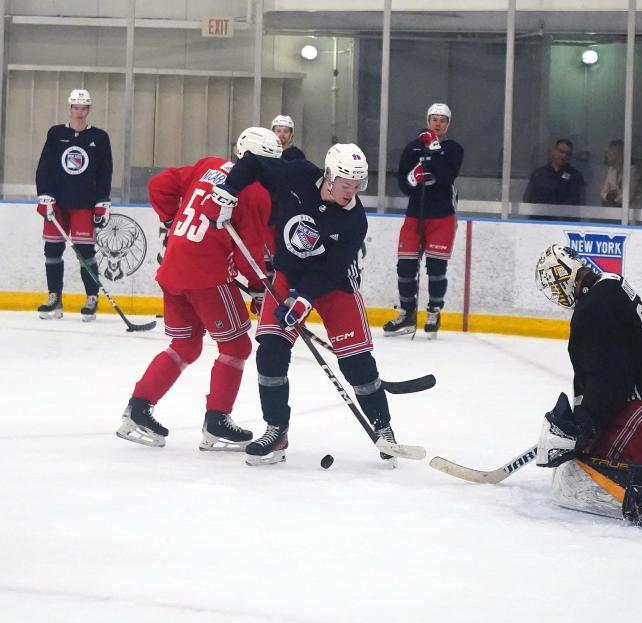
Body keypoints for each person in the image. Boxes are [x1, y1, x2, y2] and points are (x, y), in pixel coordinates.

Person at [217, 141, 400, 466]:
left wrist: (304, 299)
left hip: (334, 284)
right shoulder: (297, 175)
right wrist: (230, 189)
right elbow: (253, 163)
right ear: (329, 177)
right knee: (271, 350)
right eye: (346, 184)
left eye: (358, 185)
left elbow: (330, 269)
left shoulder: (354, 220)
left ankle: (383, 429)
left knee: (356, 364)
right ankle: (276, 430)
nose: (352, 191)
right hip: (288, 273)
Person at [115, 128, 273, 450]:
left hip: (173, 267)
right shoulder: (254, 190)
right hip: (207, 276)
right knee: (237, 347)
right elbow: (250, 250)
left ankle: (138, 408)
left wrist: (172, 222)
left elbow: (158, 186)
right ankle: (217, 421)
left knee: (185, 345)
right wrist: (259, 288)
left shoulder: (208, 166)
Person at [533, 244, 642, 527]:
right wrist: (586, 421)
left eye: (554, 283)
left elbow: (610, 378)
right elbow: (613, 367)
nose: (555, 294)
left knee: (582, 470)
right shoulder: (611, 283)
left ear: (565, 275)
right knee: (586, 450)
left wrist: (585, 424)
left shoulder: (592, 308)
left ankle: (640, 488)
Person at [383, 103, 465, 339]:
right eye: (434, 119)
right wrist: (412, 177)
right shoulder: (412, 148)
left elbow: (446, 175)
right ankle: (407, 313)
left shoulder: (453, 149)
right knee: (405, 266)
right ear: (427, 120)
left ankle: (434, 311)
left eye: (442, 120)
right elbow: (403, 185)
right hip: (414, 215)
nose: (437, 123)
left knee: (436, 268)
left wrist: (434, 147)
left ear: (448, 124)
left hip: (442, 216)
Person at [34, 88, 113, 321]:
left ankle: (91, 298)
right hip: (57, 203)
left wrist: (102, 202)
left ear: (88, 110)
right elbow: (44, 167)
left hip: (84, 203)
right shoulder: (55, 134)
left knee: (85, 252)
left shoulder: (99, 137)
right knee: (52, 250)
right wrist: (44, 195)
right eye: (76, 107)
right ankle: (54, 298)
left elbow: (105, 172)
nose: (79, 112)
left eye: (84, 108)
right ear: (69, 109)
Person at [523, 138, 584, 206]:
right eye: (561, 151)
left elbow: (577, 202)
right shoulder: (539, 174)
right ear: (553, 151)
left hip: (564, 214)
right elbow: (527, 198)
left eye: (568, 153)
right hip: (540, 215)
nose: (564, 156)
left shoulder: (575, 176)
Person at [599, 139, 640, 207]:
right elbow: (603, 191)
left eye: (609, 153)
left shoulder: (632, 171)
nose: (607, 156)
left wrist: (614, 197)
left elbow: (628, 196)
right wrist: (609, 196)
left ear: (618, 154)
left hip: (628, 212)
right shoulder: (611, 170)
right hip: (613, 210)